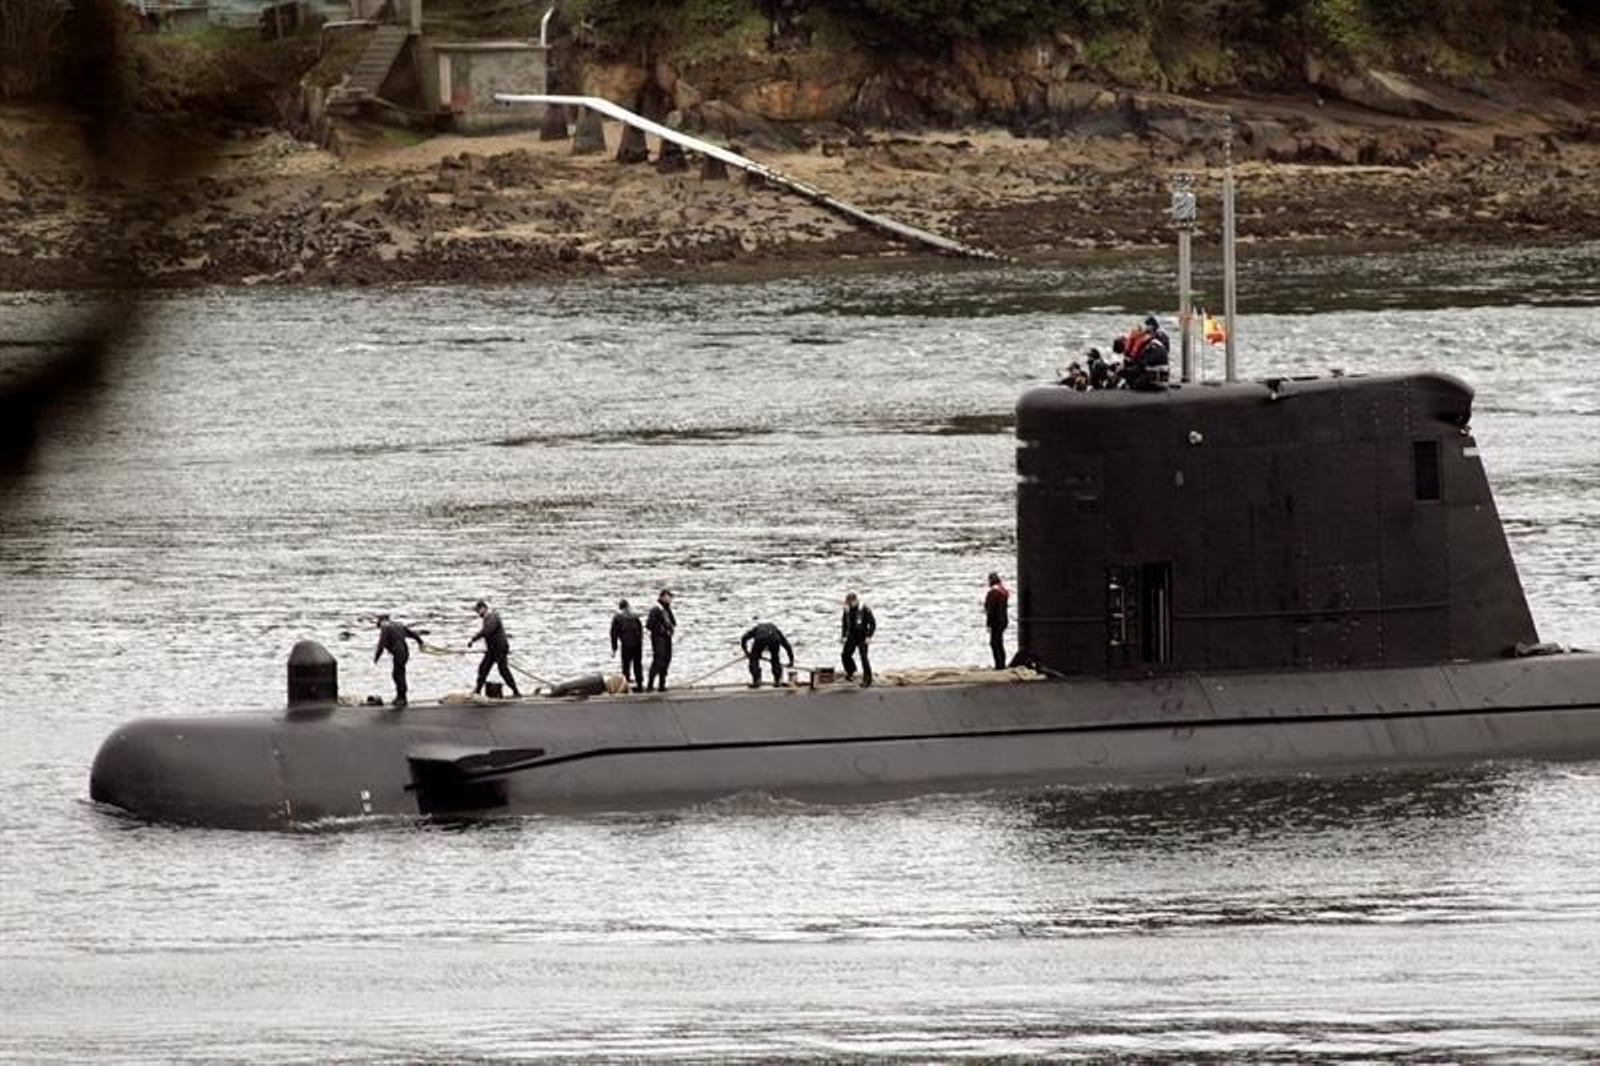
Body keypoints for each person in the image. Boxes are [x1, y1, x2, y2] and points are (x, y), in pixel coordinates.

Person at [469, 599, 520, 698]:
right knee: (483, 668)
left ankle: (516, 692)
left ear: (484, 608)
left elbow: (487, 630)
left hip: (500, 649)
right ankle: (477, 692)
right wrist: (474, 640)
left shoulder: (493, 616)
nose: (478, 613)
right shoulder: (487, 618)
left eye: (478, 610)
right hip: (492, 650)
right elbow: (486, 631)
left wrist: (474, 639)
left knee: (503, 670)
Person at [373, 613, 425, 706]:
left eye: (378, 621)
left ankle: (401, 698)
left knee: (397, 675)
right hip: (404, 652)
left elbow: (381, 645)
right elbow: (413, 634)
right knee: (400, 673)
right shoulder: (398, 625)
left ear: (382, 620)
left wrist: (376, 658)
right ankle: (402, 696)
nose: (377, 623)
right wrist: (420, 642)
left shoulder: (385, 627)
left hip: (398, 653)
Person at [741, 621, 794, 688]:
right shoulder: (775, 630)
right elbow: (787, 646)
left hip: (761, 639)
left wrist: (746, 652)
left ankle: (757, 680)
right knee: (775, 659)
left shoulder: (756, 629)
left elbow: (744, 638)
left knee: (754, 659)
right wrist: (791, 660)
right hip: (774, 639)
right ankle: (777, 680)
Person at [840, 591, 876, 687]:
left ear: (856, 601)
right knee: (845, 655)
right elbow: (844, 624)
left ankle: (867, 679)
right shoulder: (847, 610)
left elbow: (873, 624)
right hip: (851, 636)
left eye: (851, 603)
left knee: (864, 657)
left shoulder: (864, 609)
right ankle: (851, 671)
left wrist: (869, 636)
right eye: (848, 603)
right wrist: (843, 636)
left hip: (862, 636)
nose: (849, 605)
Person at [610, 598, 644, 692]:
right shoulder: (634, 616)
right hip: (637, 644)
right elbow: (640, 630)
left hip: (626, 644)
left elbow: (614, 633)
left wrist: (614, 648)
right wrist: (640, 641)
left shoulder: (617, 617)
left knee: (626, 665)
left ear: (620, 607)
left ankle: (626, 686)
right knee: (638, 664)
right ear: (628, 606)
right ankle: (640, 685)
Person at [645, 588, 676, 692]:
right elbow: (649, 625)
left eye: (670, 597)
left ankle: (662, 685)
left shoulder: (667, 609)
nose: (670, 599)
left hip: (667, 638)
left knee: (667, 660)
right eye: (668, 597)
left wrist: (670, 629)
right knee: (658, 661)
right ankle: (650, 685)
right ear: (662, 597)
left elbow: (673, 622)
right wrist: (661, 629)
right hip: (658, 639)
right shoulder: (656, 609)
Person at [984, 572, 1010, 669]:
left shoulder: (993, 592)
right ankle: (1002, 663)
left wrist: (988, 623)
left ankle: (999, 665)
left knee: (994, 643)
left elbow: (990, 609)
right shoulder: (1004, 591)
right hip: (1003, 620)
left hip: (996, 621)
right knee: (999, 642)